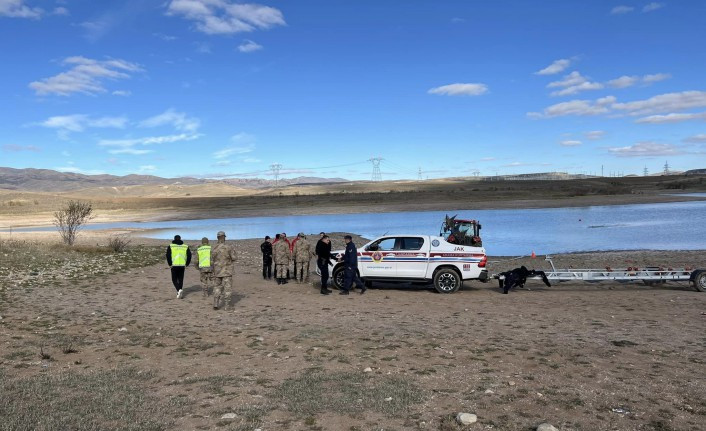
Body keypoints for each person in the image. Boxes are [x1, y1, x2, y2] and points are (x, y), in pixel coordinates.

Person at [212, 231, 237, 310]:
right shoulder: (228, 247)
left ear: (217, 238)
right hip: (227, 271)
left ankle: (216, 303)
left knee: (217, 287)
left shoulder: (214, 248)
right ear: (224, 237)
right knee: (227, 288)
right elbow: (234, 258)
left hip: (217, 271)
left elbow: (211, 259)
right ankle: (227, 306)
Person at [166, 234, 191, 299]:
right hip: (182, 265)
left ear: (174, 239)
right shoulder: (185, 246)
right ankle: (179, 293)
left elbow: (168, 255)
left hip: (174, 265)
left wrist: (170, 264)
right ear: (180, 239)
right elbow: (189, 255)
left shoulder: (171, 246)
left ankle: (178, 290)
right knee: (180, 279)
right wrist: (187, 263)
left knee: (174, 279)